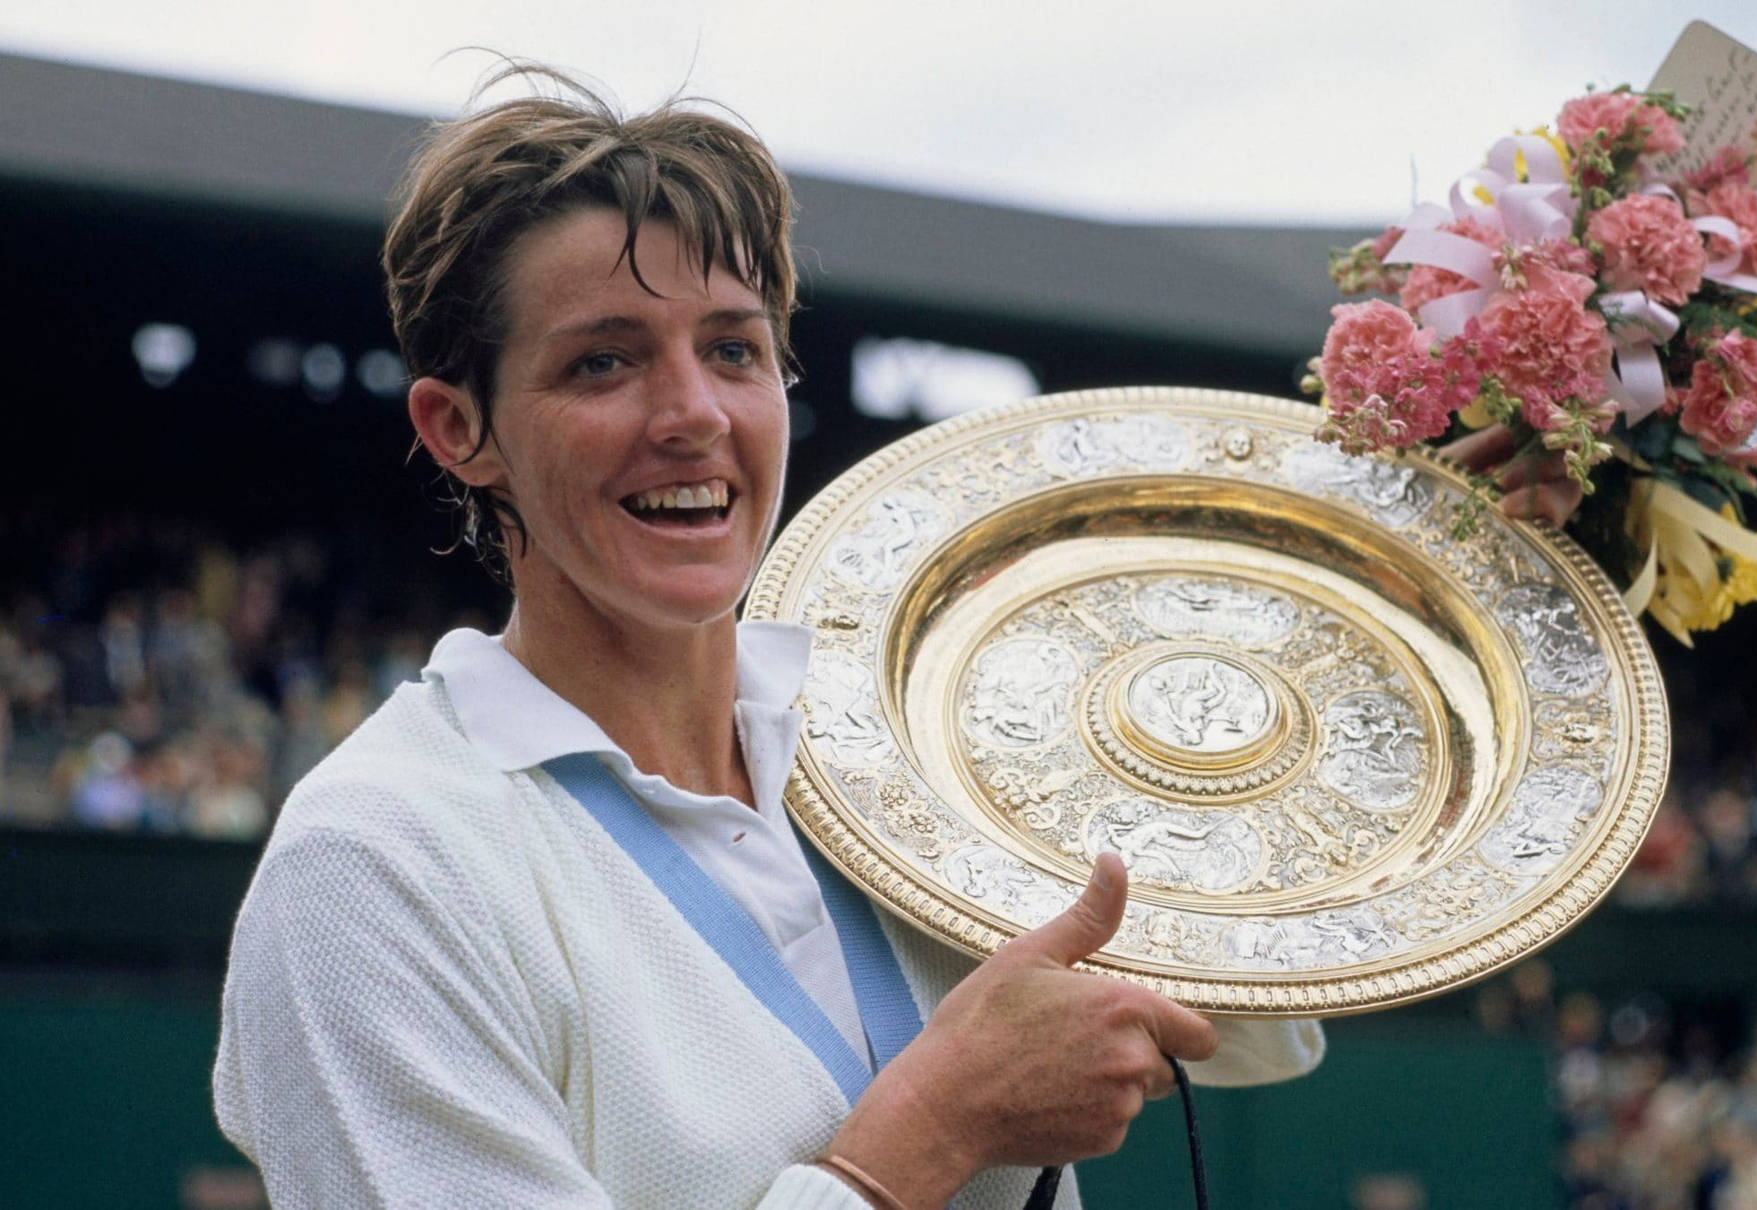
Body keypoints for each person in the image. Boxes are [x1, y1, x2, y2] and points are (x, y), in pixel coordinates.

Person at [213, 67, 1324, 1209]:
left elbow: (1250, 1014)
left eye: (735, 350)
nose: (694, 412)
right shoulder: (373, 865)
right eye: (604, 360)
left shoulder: (911, 734)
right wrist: (928, 1132)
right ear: (460, 429)